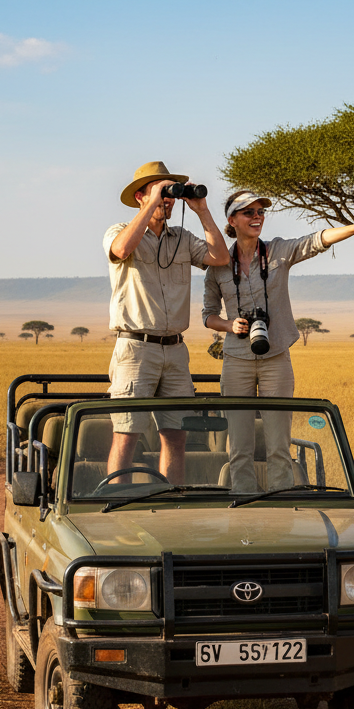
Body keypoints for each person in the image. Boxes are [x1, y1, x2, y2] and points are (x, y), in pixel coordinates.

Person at [203, 190, 354, 492]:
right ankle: (242, 505)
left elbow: (316, 240)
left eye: (261, 212)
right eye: (249, 212)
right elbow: (208, 314)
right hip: (235, 358)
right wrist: (229, 325)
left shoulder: (278, 250)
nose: (257, 216)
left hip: (276, 358)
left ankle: (279, 506)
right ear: (232, 220)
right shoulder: (218, 263)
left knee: (279, 443)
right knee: (239, 445)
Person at [104, 161, 231, 483]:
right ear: (139, 197)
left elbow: (220, 258)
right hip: (136, 347)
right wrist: (150, 207)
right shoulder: (119, 231)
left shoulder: (183, 238)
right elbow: (120, 250)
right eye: (161, 191)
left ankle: (172, 501)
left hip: (175, 349)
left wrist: (201, 210)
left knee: (176, 436)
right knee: (127, 433)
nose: (168, 199)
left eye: (171, 192)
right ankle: (118, 503)